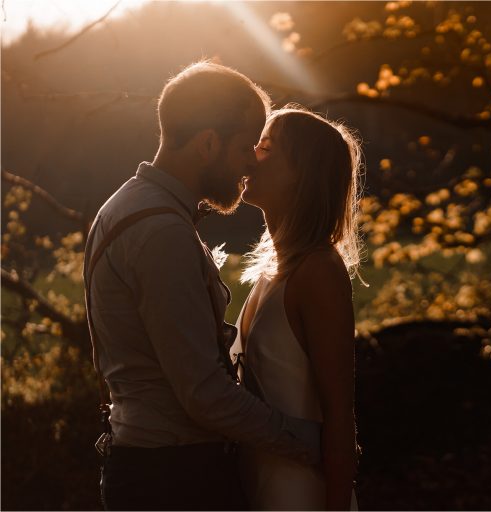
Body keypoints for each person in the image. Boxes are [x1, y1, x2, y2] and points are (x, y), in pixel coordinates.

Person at [83, 62, 320, 511]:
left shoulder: (124, 207)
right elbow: (204, 394)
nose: (252, 162)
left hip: (153, 467)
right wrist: (312, 443)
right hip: (175, 478)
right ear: (208, 143)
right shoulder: (161, 232)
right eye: (246, 147)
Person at [231, 106, 363, 510]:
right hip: (257, 488)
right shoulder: (270, 272)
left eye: (266, 147)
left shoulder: (319, 271)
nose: (250, 154)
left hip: (303, 495)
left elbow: (340, 417)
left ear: (300, 174)